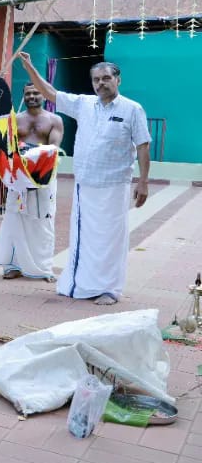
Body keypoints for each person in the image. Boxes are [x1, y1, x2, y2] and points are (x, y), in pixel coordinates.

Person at [17, 53, 150, 305]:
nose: (101, 83)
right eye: (96, 79)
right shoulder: (83, 104)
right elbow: (51, 93)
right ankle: (79, 284)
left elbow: (143, 146)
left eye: (106, 78)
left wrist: (143, 181)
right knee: (84, 236)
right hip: (85, 184)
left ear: (118, 80)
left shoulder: (132, 109)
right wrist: (30, 68)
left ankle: (109, 288)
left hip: (114, 185)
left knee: (111, 238)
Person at [0, 83, 64, 281]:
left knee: (43, 221)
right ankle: (13, 266)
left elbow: (53, 149)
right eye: (28, 93)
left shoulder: (54, 120)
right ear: (23, 95)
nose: (32, 96)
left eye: (36, 92)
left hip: (44, 175)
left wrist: (33, 159)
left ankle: (44, 268)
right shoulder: (14, 120)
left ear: (43, 95)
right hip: (18, 177)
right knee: (15, 219)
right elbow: (7, 147)